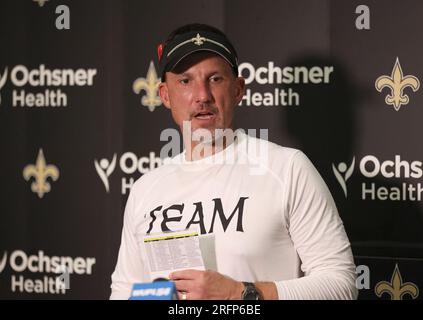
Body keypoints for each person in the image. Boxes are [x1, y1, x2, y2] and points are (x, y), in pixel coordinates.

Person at [110, 23, 357, 300]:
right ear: (165, 95)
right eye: (185, 81)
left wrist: (240, 294)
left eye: (215, 79)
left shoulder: (286, 169)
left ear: (238, 89)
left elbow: (341, 285)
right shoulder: (146, 190)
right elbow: (124, 293)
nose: (202, 95)